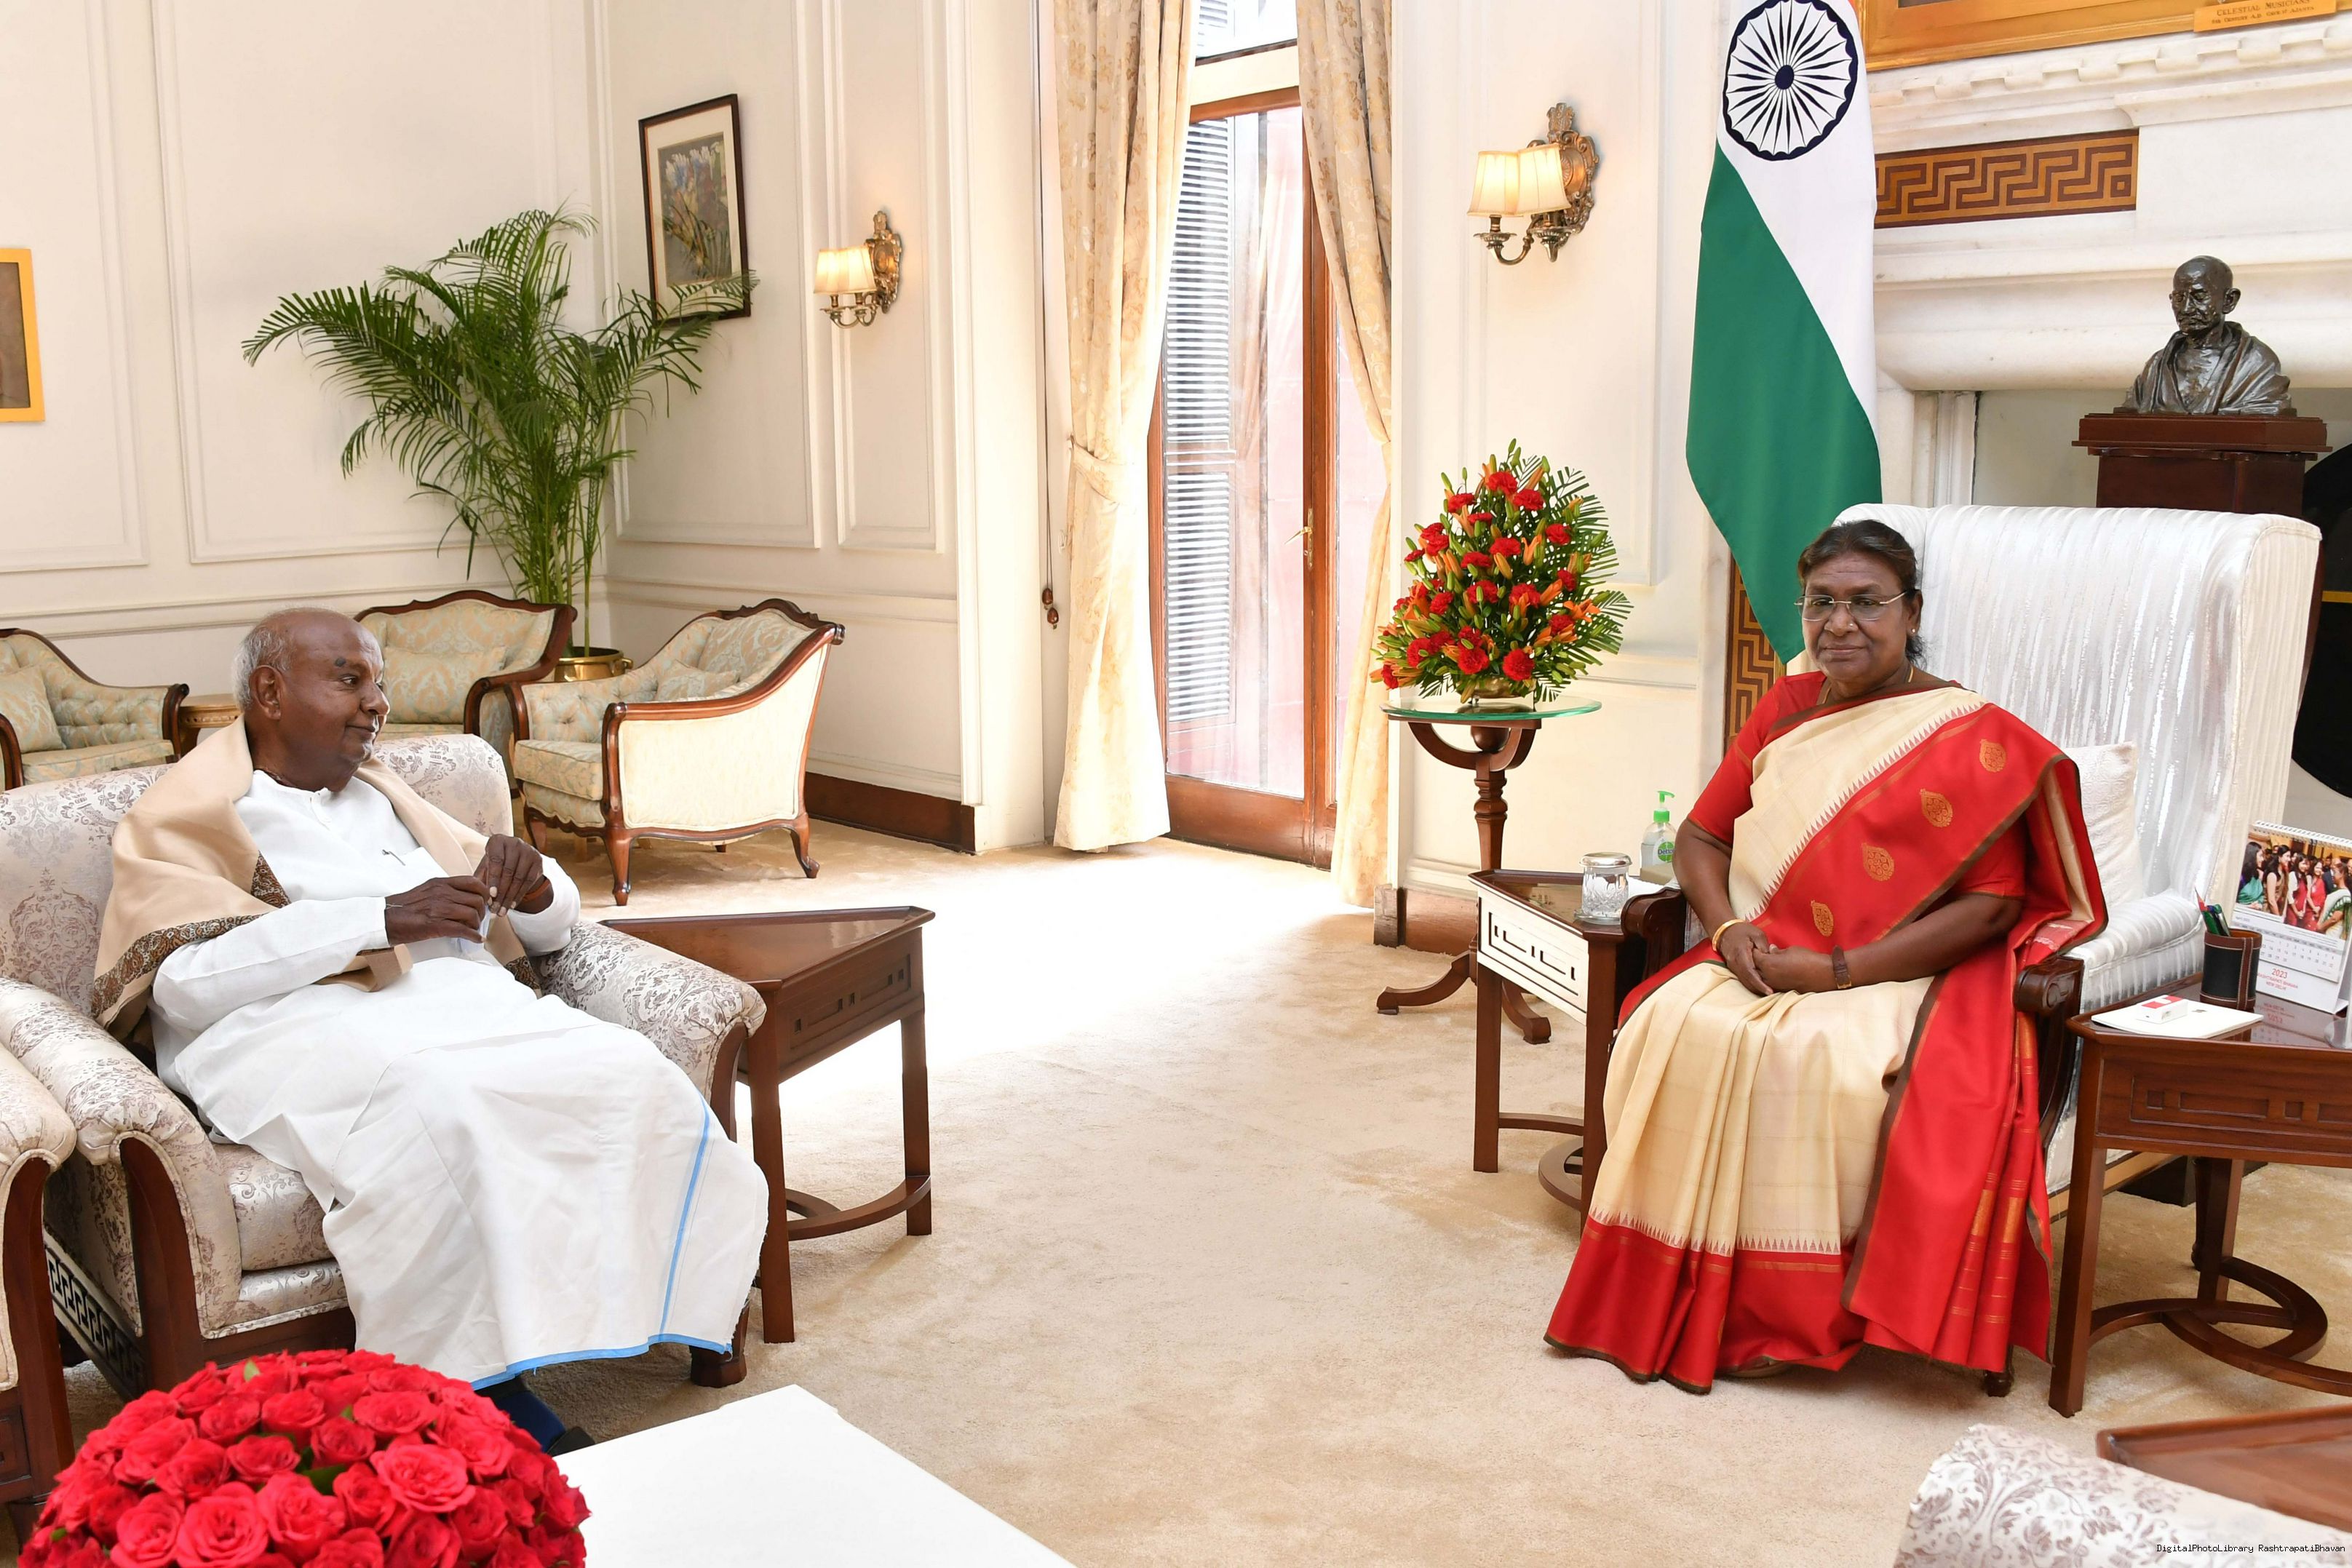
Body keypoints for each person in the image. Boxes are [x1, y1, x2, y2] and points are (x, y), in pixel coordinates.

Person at [95, 610, 766, 1446]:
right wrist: (375, 920)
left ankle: (676, 1306)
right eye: (350, 679)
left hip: (456, 999)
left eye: (378, 684)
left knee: (627, 1068)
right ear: (268, 691)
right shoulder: (188, 812)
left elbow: (548, 923)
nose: (377, 702)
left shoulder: (389, 795)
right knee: (441, 1108)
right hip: (286, 1025)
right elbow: (179, 986)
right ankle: (474, 1395)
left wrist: (534, 886)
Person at [1546, 520, 2105, 1392]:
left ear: (1911, 612)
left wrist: (1838, 971)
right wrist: (1727, 931)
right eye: (1821, 603)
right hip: (1762, 950)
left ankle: (1790, 1309)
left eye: (1865, 602)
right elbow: (1700, 837)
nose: (1839, 623)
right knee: (1666, 1019)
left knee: (1821, 1055)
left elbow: (1992, 904)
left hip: (1898, 965)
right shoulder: (1785, 707)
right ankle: (1684, 1277)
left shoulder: (1975, 738)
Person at [2126, 255, 2293, 416]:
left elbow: (2266, 412)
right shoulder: (2156, 366)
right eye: (2179, 298)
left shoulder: (2256, 363)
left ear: (2229, 300)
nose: (2186, 308)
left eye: (2199, 297)